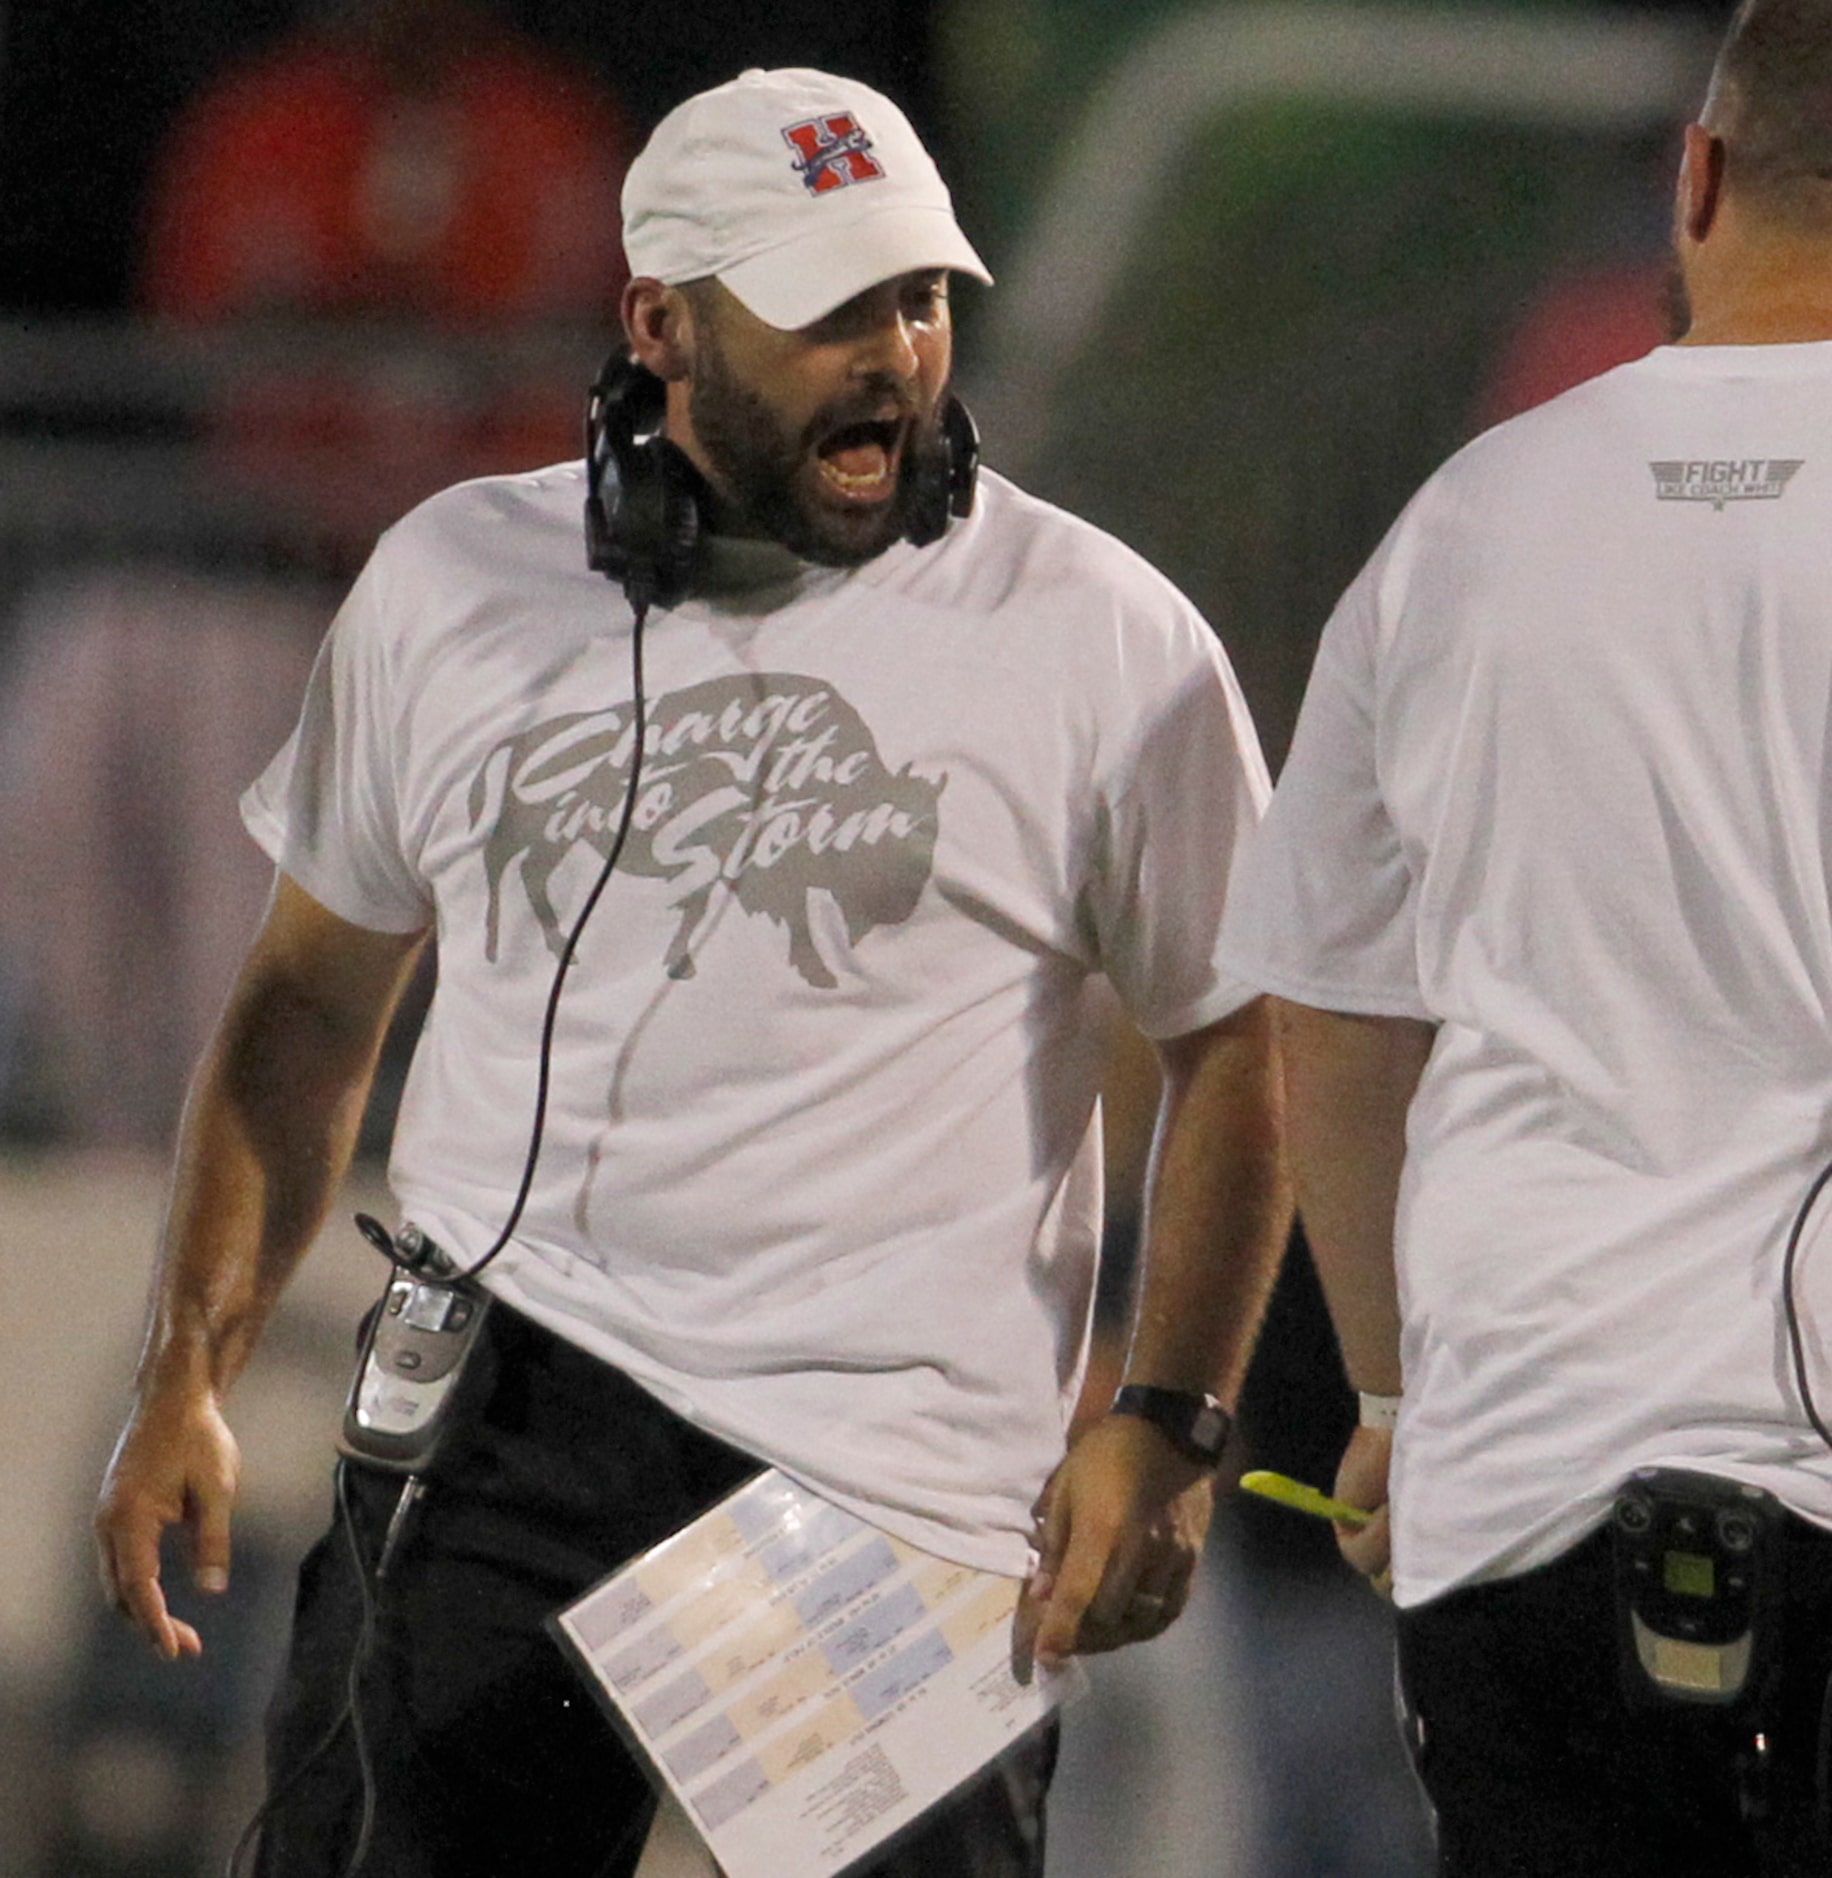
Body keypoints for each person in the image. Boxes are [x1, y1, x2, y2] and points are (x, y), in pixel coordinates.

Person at [93, 66, 1289, 1878]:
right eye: (829, 310)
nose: (893, 354)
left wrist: (1174, 1419)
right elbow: (309, 1005)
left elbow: (1242, 1044)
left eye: (920, 298)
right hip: (508, 1421)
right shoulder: (449, 582)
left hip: (887, 1482)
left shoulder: (1109, 640)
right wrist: (187, 1361)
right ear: (660, 319)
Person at [1218, 2, 1832, 1871]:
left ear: (1700, 174)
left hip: (1524, 1479)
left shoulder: (1462, 523)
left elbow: (1326, 1012)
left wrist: (1391, 1395)